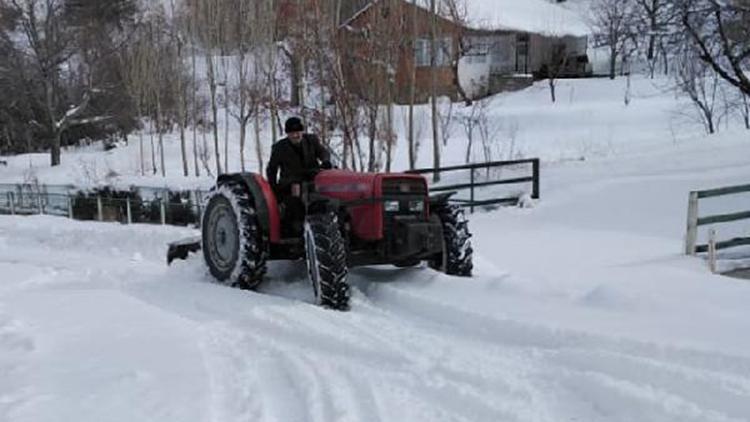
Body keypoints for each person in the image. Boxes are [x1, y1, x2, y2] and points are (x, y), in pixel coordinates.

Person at [266, 117, 332, 236]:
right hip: (291, 182)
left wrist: (325, 161)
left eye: (298, 132)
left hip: (313, 178)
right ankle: (296, 231)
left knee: (326, 195)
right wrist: (274, 189)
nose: (296, 135)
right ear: (287, 134)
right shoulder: (279, 148)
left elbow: (323, 152)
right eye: (292, 133)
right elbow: (272, 169)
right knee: (295, 201)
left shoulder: (311, 140)